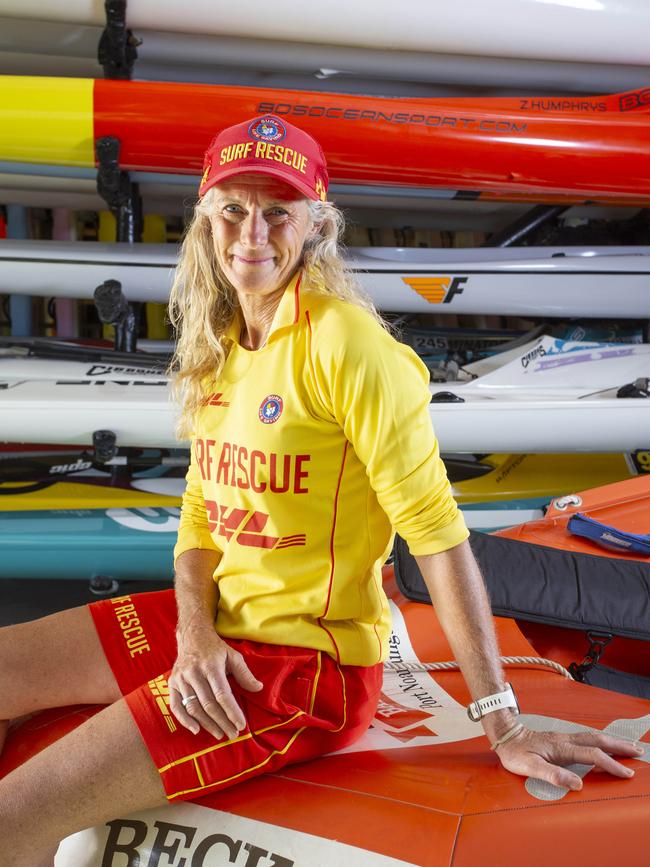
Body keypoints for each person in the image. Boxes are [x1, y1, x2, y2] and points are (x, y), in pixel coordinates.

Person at [0, 115, 642, 866]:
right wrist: (196, 634)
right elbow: (201, 514)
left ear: (317, 223)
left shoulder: (348, 346)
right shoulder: (217, 343)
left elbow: (436, 536)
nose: (254, 232)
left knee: (14, 816)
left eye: (279, 211)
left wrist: (502, 721)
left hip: (303, 670)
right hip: (220, 630)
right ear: (205, 216)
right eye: (234, 208)